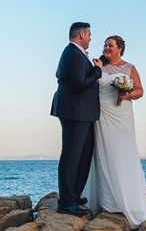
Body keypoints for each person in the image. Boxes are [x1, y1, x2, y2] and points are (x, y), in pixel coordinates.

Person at [84, 35, 146, 228]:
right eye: (105, 45)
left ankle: (128, 199)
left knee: (123, 154)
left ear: (120, 49)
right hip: (101, 115)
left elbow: (140, 91)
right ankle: (108, 201)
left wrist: (127, 94)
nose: (106, 47)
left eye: (110, 45)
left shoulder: (130, 67)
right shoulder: (98, 65)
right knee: (103, 154)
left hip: (122, 116)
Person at [51, 22, 104, 215]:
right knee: (72, 156)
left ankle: (74, 195)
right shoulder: (72, 53)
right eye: (89, 34)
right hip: (74, 112)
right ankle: (66, 202)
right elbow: (79, 84)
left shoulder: (76, 54)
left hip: (83, 112)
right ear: (81, 34)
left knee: (83, 155)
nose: (90, 38)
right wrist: (97, 72)